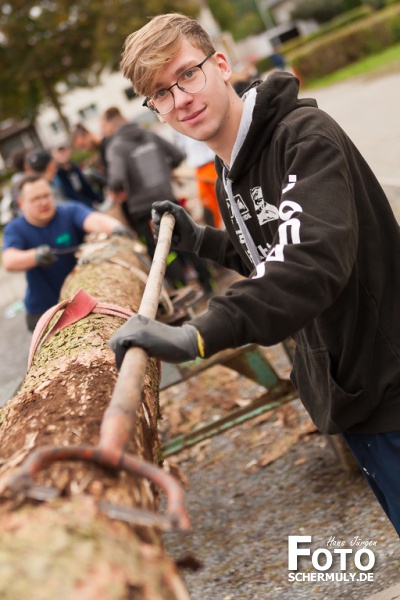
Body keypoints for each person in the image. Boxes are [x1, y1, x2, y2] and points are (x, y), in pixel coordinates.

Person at [108, 13, 400, 537]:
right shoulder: (228, 174)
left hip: (390, 381)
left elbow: (311, 260)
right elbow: (269, 253)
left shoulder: (305, 138)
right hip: (348, 395)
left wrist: (200, 333)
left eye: (187, 75)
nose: (181, 99)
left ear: (220, 64)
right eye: (161, 94)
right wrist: (204, 240)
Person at [100, 106, 214, 292]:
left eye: (103, 127)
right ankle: (208, 284)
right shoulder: (149, 135)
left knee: (163, 253)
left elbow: (116, 180)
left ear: (111, 126)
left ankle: (183, 291)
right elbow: (177, 155)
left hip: (144, 210)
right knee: (188, 240)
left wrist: (117, 189)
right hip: (169, 201)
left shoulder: (116, 146)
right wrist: (163, 169)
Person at [2, 174, 131, 332]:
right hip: (43, 311)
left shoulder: (69, 211)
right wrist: (35, 256)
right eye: (35, 199)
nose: (43, 202)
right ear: (21, 204)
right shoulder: (15, 229)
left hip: (78, 302)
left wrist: (115, 227)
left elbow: (93, 219)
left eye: (46, 195)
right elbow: (9, 260)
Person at [174, 133, 222, 228]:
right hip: (200, 169)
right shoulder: (179, 130)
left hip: (213, 163)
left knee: (224, 201)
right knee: (209, 205)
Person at [52, 142, 103, 208]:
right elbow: (67, 194)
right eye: (59, 152)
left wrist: (98, 199)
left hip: (87, 203)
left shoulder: (74, 168)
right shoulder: (56, 174)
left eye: (64, 151)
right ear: (54, 155)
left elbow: (86, 186)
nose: (63, 154)